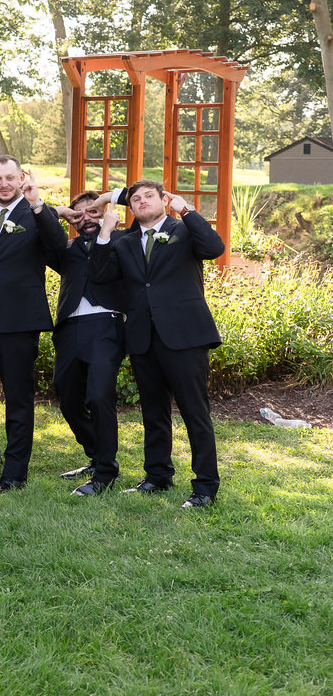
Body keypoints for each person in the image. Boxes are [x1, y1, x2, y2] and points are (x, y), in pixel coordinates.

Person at [89, 181, 224, 508]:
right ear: (131, 209)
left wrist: (187, 210)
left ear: (164, 200)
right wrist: (104, 234)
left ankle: (205, 486)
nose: (142, 201)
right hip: (143, 338)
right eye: (135, 199)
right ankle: (157, 476)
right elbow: (99, 276)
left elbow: (215, 247)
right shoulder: (125, 243)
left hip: (185, 336)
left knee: (195, 413)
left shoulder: (185, 231)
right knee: (153, 412)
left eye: (149, 196)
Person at [0, 156, 66, 492]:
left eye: (9, 178)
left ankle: (15, 471)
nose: (3, 184)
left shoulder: (35, 215)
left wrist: (37, 203)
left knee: (18, 397)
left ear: (22, 178)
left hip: (19, 323)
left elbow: (58, 246)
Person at [48, 190, 128, 497]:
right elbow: (35, 227)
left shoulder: (121, 241)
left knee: (98, 395)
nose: (86, 218)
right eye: (78, 214)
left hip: (105, 327)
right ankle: (96, 456)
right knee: (68, 398)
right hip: (69, 328)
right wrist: (59, 211)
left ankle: (105, 472)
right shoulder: (64, 249)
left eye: (91, 212)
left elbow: (137, 200)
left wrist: (107, 200)